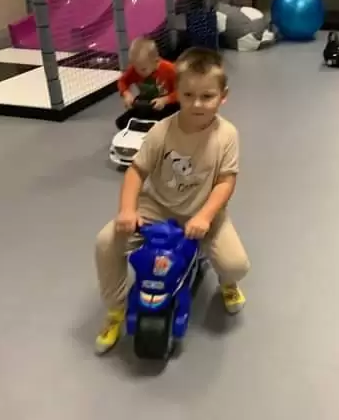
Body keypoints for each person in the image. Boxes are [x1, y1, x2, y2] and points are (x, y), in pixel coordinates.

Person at [95, 46, 250, 354]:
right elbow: (136, 171)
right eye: (188, 95)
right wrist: (127, 210)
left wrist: (205, 216)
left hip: (204, 211)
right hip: (157, 207)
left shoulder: (227, 135)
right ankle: (116, 310)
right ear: (176, 92)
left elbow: (225, 181)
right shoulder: (161, 131)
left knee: (235, 265)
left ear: (223, 96)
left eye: (207, 96)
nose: (197, 103)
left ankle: (227, 283)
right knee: (105, 243)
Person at [115, 37, 180, 130]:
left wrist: (166, 99)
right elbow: (122, 81)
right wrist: (126, 93)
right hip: (148, 103)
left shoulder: (169, 69)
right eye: (135, 67)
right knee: (121, 122)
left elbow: (183, 91)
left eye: (143, 69)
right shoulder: (136, 69)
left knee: (168, 121)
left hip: (168, 104)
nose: (138, 72)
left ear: (156, 61)